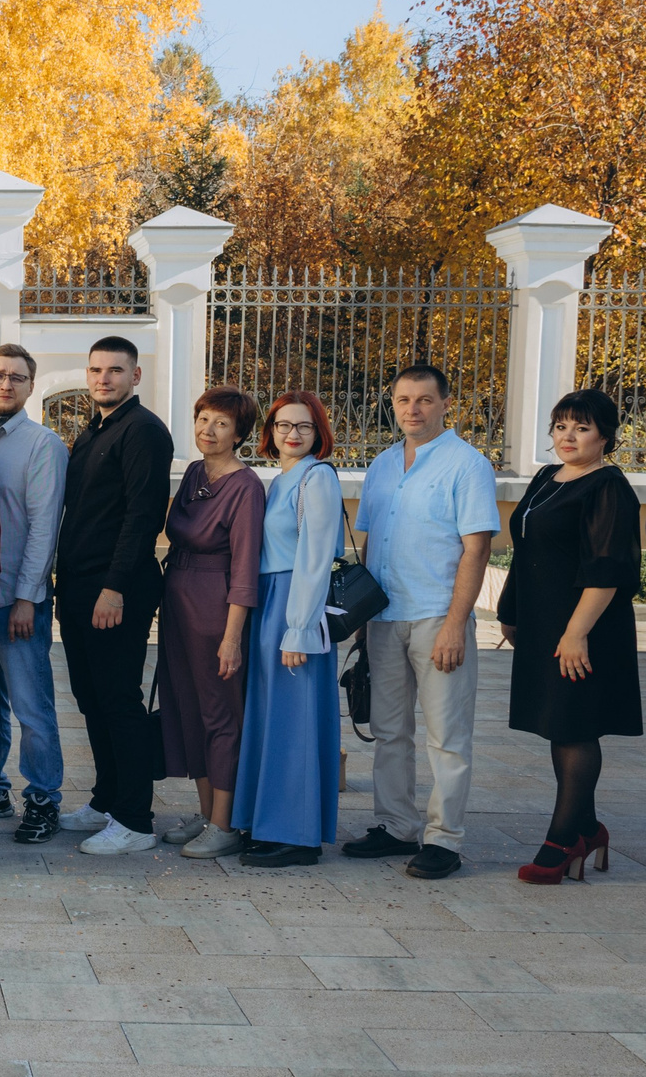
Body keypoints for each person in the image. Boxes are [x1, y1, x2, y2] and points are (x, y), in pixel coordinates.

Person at [342, 363, 501, 881]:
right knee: (389, 731)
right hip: (385, 617)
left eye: (425, 400)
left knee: (447, 736)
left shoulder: (467, 465)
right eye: (404, 399)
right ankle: (395, 825)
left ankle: (443, 838)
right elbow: (369, 542)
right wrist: (362, 618)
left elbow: (476, 549)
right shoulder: (384, 465)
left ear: (445, 404)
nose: (413, 409)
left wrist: (458, 623)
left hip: (437, 616)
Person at [502, 388, 643, 886]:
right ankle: (587, 827)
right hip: (544, 624)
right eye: (561, 425)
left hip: (584, 627)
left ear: (605, 436)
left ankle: (562, 841)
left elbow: (607, 569)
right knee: (557, 724)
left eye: (582, 428)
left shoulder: (609, 487)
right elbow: (525, 547)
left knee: (576, 725)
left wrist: (577, 632)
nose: (568, 436)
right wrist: (511, 612)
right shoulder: (546, 477)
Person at [57, 336, 174, 855]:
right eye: (96, 370)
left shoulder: (145, 432)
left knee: (119, 700)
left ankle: (135, 820)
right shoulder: (93, 430)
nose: (104, 378)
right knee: (90, 698)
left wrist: (114, 589)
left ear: (135, 377)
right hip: (79, 587)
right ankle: (106, 800)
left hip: (115, 590)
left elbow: (142, 518)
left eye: (115, 370)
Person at [230, 392, 345, 866]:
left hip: (295, 604)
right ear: (270, 432)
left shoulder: (317, 479)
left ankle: (297, 836)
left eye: (304, 426)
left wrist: (298, 629)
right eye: (282, 425)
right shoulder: (279, 481)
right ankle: (268, 821)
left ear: (319, 434)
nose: (292, 434)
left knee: (295, 721)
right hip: (269, 603)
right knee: (272, 718)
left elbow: (315, 559)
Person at [0, 344, 68, 844]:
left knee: (33, 707)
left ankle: (44, 798)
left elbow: (44, 527)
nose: (6, 384)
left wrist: (28, 597)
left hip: (15, 601)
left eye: (17, 377)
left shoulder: (43, 444)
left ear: (31, 386)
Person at [158, 388, 265, 860]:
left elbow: (245, 568)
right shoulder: (195, 473)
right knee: (186, 708)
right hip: (178, 602)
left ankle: (225, 824)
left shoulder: (245, 487)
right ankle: (206, 814)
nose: (208, 429)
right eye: (203, 418)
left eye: (221, 423)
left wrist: (231, 638)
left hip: (215, 607)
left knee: (221, 714)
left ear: (240, 433)